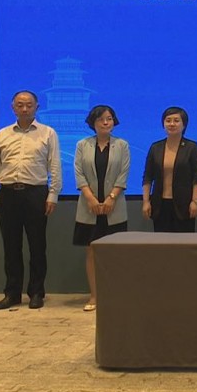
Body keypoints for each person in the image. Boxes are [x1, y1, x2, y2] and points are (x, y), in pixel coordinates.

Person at [0, 90, 62, 310]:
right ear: (13, 107)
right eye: (20, 105)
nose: (24, 108)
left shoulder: (48, 133)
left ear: (37, 107)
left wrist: (53, 194)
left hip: (35, 194)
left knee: (37, 246)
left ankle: (36, 293)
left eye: (29, 105)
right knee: (11, 247)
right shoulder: (2, 134)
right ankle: (12, 293)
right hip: (7, 194)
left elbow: (54, 166)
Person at [72, 105, 130, 312]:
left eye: (109, 118)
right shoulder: (82, 145)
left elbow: (123, 174)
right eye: (101, 119)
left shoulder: (122, 145)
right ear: (93, 122)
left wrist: (111, 198)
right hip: (89, 208)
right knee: (92, 251)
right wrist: (90, 198)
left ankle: (114, 295)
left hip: (114, 207)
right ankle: (95, 296)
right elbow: (79, 173)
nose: (106, 122)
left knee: (115, 253)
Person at [142, 107, 197, 233]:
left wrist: (195, 201)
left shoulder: (191, 147)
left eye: (176, 120)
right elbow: (148, 176)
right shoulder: (155, 147)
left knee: (184, 242)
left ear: (184, 124)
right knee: (161, 241)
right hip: (160, 205)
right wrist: (146, 201)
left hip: (184, 205)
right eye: (168, 120)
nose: (172, 124)